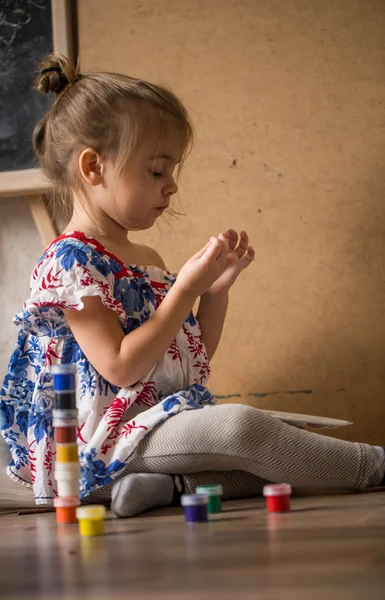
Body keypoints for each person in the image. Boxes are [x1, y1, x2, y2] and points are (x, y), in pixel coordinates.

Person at [1, 54, 384, 517]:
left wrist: (214, 292)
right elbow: (122, 368)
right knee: (241, 429)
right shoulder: (69, 262)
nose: (172, 187)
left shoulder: (146, 260)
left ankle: (169, 486)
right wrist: (182, 291)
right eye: (157, 171)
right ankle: (375, 466)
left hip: (154, 427)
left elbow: (187, 363)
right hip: (100, 444)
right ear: (93, 167)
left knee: (270, 453)